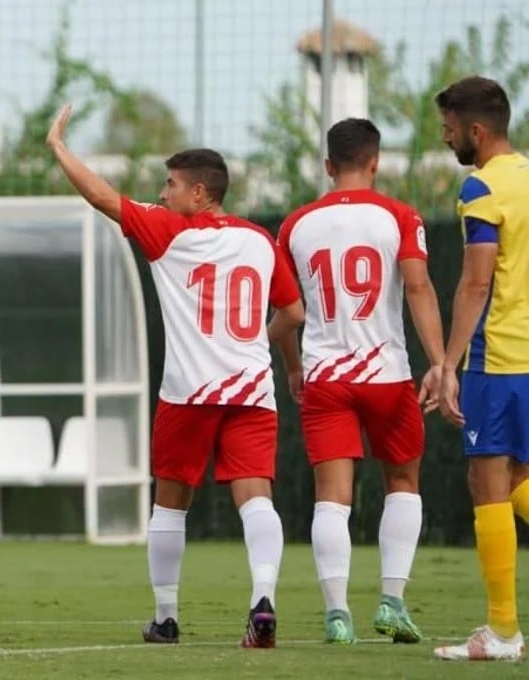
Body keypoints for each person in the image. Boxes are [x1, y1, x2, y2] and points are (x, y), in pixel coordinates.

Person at [46, 104, 303, 648]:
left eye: (171, 184)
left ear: (200, 194)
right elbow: (294, 314)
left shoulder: (168, 233)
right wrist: (270, 345)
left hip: (188, 393)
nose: (163, 195)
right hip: (252, 390)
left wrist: (60, 148)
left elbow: (99, 195)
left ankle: (165, 618)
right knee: (257, 499)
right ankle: (263, 602)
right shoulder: (261, 239)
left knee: (170, 503)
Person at [273, 117, 444, 644]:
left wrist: (293, 367)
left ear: (327, 166)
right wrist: (439, 361)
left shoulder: (295, 224)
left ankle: (337, 614)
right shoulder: (400, 216)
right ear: (375, 162)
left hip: (325, 377)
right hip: (387, 376)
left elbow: (289, 311)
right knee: (403, 484)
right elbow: (417, 288)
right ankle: (392, 601)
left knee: (332, 497)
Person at [431, 76, 529, 662]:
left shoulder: (482, 187)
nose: (445, 140)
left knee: (488, 483)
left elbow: (476, 280)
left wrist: (447, 363)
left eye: (447, 130)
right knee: (517, 477)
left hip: (500, 361)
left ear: (475, 130)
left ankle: (502, 633)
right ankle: (502, 631)